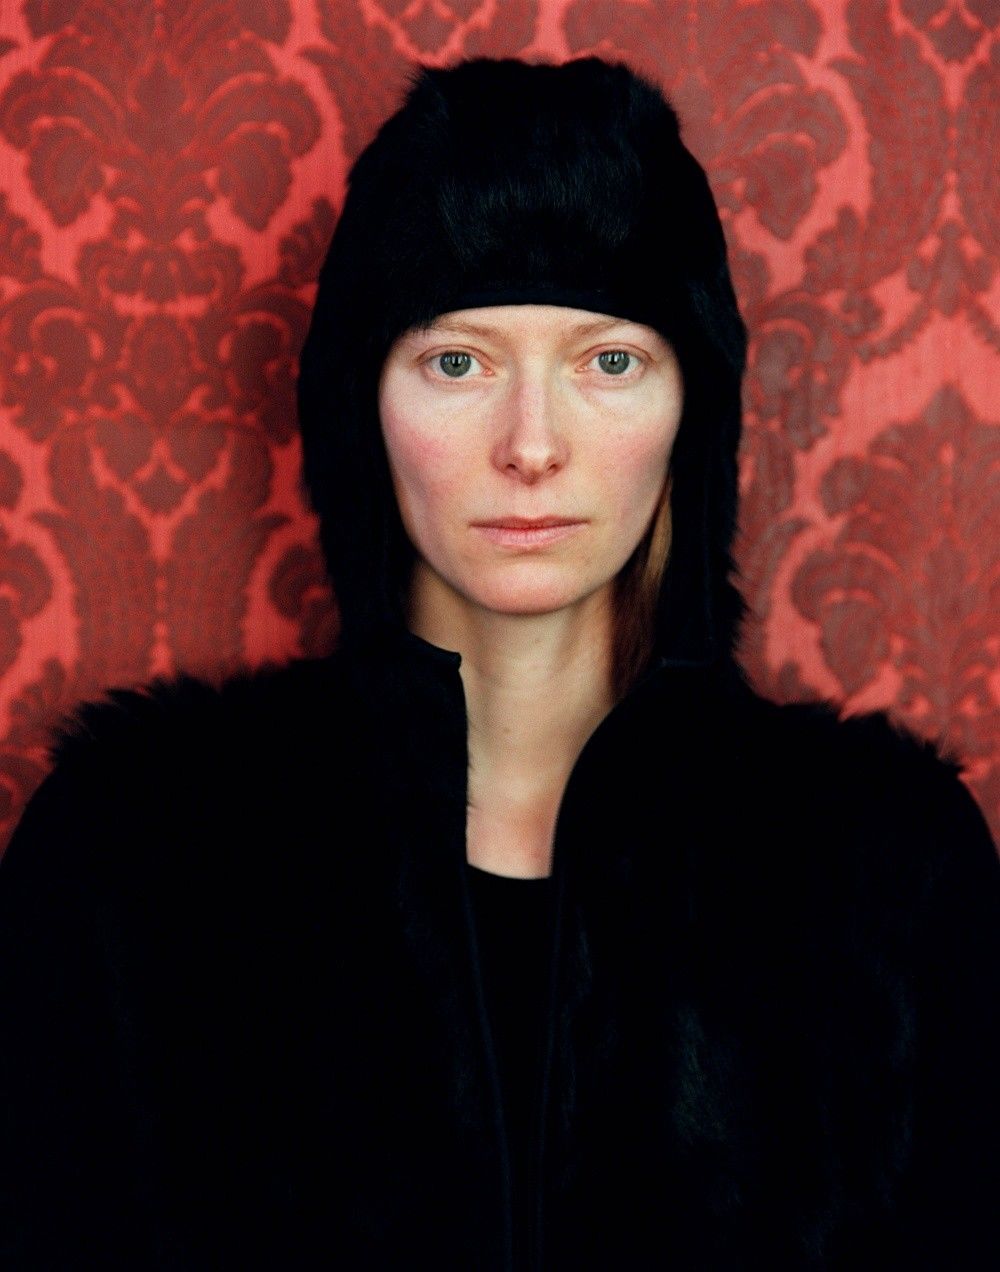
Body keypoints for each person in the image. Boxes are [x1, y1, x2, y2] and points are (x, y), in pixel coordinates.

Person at [1, 55, 997, 1271]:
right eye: (457, 362)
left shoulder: (887, 869)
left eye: (608, 362)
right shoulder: (134, 851)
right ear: (360, 407)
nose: (531, 445)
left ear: (693, 414)